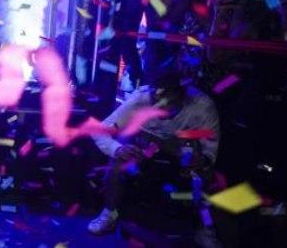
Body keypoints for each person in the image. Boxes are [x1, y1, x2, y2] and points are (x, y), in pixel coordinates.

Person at [88, 72, 220, 237]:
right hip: (144, 140)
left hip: (180, 143)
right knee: (117, 164)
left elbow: (210, 148)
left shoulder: (202, 106)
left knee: (204, 175)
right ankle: (110, 213)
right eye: (156, 100)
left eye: (168, 102)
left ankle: (204, 227)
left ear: (182, 96)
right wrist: (118, 149)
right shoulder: (139, 100)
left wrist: (202, 161)